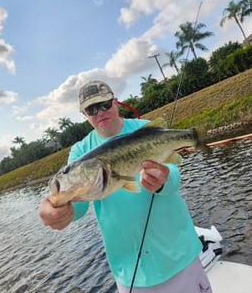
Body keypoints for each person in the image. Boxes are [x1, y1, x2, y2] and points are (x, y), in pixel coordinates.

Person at [39, 80, 213, 293]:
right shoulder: (79, 152)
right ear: (84, 114)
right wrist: (60, 211)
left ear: (115, 102)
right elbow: (79, 206)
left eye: (104, 104)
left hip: (179, 255)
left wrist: (162, 181)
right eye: (92, 109)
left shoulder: (143, 128)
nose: (100, 112)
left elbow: (174, 178)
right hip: (131, 272)